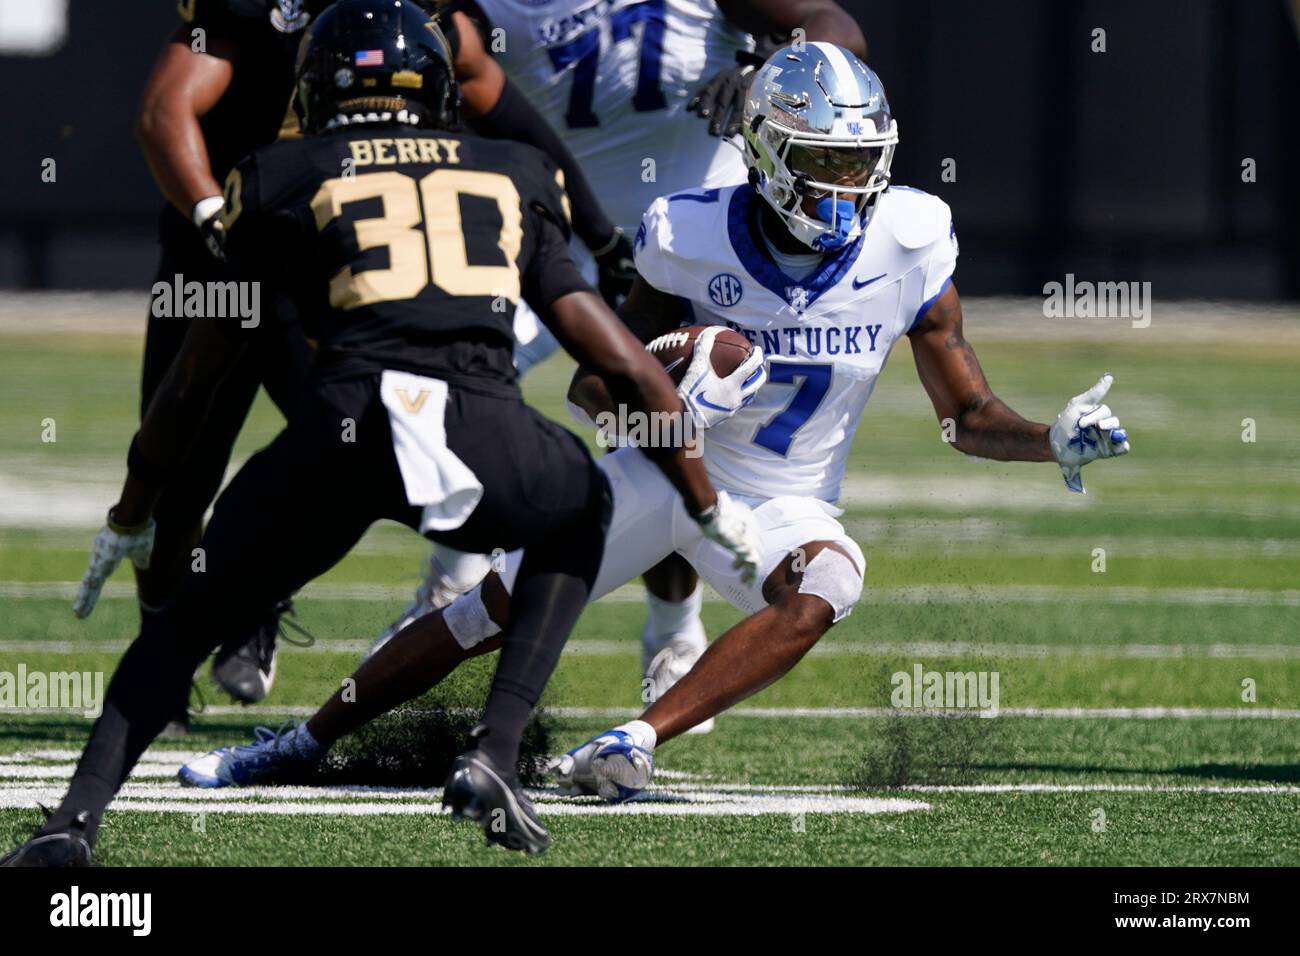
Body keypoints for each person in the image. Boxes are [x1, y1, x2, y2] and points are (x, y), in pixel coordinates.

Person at [175, 44, 1130, 809]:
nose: (848, 190)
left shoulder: (911, 238)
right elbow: (593, 381)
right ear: (764, 153)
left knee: (831, 580)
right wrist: (672, 399)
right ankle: (299, 743)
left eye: (861, 165)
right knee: (480, 612)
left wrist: (1053, 438)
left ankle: (636, 740)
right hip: (659, 473)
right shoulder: (686, 232)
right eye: (824, 165)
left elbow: (965, 417)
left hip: (777, 502)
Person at [2, 0, 759, 865]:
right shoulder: (511, 171)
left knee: (178, 630)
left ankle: (73, 822)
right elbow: (621, 362)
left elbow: (192, 386)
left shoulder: (280, 175)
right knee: (580, 503)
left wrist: (135, 509)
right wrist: (706, 505)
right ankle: (496, 748)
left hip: (341, 434)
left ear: (316, 88)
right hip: (483, 424)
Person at [114, 0, 635, 711]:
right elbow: (162, 114)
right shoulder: (260, 12)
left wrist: (600, 233)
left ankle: (261, 596)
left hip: (336, 262)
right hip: (219, 249)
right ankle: (161, 673)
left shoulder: (426, 18)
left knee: (346, 445)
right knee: (182, 481)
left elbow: (499, 105)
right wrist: (216, 221)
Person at [373, 0, 871, 729]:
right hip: (556, 236)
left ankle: (673, 630)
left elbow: (834, 27)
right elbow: (449, 76)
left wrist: (765, 72)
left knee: (679, 422)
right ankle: (455, 576)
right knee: (441, 392)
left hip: (699, 243)